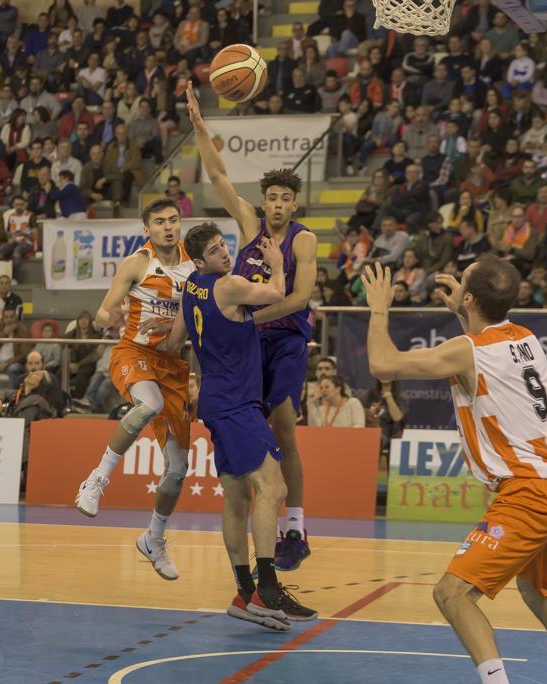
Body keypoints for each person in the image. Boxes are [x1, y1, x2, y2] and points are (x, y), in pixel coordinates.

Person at [359, 256, 547, 684]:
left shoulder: (468, 350)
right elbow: (481, 349)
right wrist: (463, 310)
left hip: (530, 493)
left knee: (451, 594)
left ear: (470, 297)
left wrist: (379, 306)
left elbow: (382, 365)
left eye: (465, 282)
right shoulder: (526, 338)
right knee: (537, 592)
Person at [188, 82, 318, 572]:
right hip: (250, 340)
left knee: (284, 429)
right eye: (272, 198)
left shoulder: (304, 240)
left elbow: (299, 297)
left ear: (295, 205)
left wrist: (244, 319)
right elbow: (218, 173)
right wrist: (201, 127)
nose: (278, 205)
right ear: (263, 202)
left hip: (283, 339)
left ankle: (296, 527)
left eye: (286, 198)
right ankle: (255, 536)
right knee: (254, 435)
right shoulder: (248, 227)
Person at [169, 222, 316, 629]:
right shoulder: (228, 285)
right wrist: (274, 264)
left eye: (223, 246)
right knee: (274, 487)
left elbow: (173, 341)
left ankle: (243, 592)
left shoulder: (190, 287)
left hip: (217, 399)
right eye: (214, 251)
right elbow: (279, 295)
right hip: (236, 404)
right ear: (199, 261)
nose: (224, 253)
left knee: (236, 499)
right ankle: (267, 587)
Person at [74, 199, 193, 581]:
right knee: (149, 405)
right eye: (159, 222)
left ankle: (154, 539)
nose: (168, 227)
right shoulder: (136, 264)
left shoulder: (195, 268)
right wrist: (114, 315)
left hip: (173, 366)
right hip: (134, 352)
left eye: (173, 220)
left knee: (178, 470)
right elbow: (101, 313)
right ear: (148, 229)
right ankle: (97, 478)